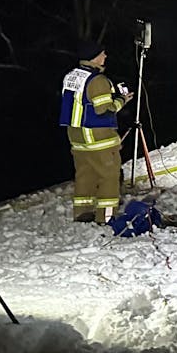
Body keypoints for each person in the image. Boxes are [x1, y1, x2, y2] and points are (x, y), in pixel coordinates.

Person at [59, 41, 131, 223]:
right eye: (102, 53)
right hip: (98, 139)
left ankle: (82, 213)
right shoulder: (98, 80)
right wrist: (122, 100)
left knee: (85, 175)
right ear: (95, 56)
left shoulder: (71, 76)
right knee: (109, 177)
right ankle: (106, 217)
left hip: (76, 137)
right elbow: (104, 109)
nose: (105, 56)